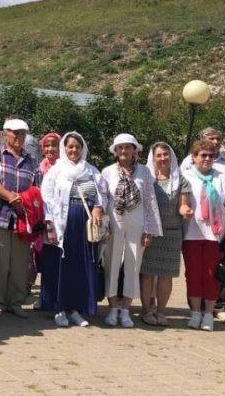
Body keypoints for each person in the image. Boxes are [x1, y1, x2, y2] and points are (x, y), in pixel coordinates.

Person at [40, 132, 109, 327]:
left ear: (83, 148)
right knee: (61, 266)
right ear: (64, 148)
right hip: (63, 223)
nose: (73, 150)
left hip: (85, 226)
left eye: (77, 147)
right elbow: (47, 196)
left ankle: (76, 309)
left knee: (81, 266)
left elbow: (102, 192)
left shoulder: (91, 170)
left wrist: (98, 207)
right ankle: (59, 308)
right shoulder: (56, 170)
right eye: (70, 146)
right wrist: (50, 223)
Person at [180, 127, 225, 322]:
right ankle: (195, 312)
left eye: (211, 156)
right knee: (193, 274)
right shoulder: (187, 176)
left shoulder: (221, 178)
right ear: (194, 157)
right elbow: (180, 201)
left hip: (215, 235)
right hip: (191, 233)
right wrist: (184, 209)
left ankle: (208, 313)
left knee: (212, 275)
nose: (207, 159)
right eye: (203, 155)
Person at [100, 134, 162, 328]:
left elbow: (150, 201)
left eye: (128, 147)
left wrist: (149, 230)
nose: (124, 151)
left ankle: (126, 308)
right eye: (120, 147)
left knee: (133, 265)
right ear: (115, 151)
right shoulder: (108, 172)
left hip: (137, 222)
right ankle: (112, 308)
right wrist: (102, 224)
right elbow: (102, 199)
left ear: (135, 150)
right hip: (114, 222)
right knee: (112, 263)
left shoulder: (144, 172)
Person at [0, 118, 41, 317]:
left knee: (19, 262)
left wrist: (27, 205)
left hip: (23, 219)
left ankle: (15, 303)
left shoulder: (32, 161)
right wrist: (11, 198)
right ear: (5, 133)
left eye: (22, 133)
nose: (18, 137)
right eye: (14, 132)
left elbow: (36, 189)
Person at [138, 142, 193, 326]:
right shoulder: (147, 179)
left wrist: (186, 210)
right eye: (159, 155)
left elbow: (182, 204)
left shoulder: (181, 180)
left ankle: (161, 311)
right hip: (150, 233)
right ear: (152, 159)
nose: (163, 159)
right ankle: (146, 311)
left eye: (166, 155)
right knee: (146, 273)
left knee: (165, 275)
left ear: (172, 157)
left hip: (171, 234)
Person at [34, 132, 61, 311]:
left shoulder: (64, 168)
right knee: (41, 258)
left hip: (59, 219)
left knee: (58, 258)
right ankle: (44, 296)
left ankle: (57, 296)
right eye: (47, 145)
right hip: (41, 219)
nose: (50, 149)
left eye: (54, 145)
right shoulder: (39, 168)